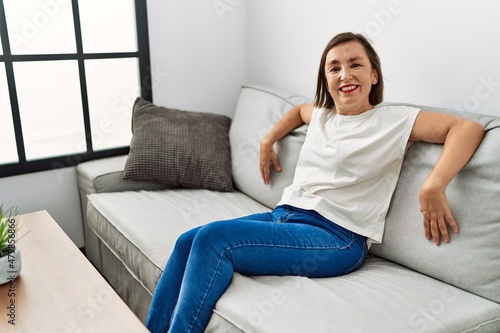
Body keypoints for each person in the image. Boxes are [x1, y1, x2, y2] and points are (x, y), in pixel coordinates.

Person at [145, 32, 485, 333]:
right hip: (286, 217)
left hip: (336, 237)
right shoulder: (323, 114)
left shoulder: (393, 120)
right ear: (326, 79)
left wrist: (433, 185)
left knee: (212, 239)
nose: (345, 74)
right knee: (188, 240)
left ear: (374, 74)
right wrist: (268, 140)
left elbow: (467, 128)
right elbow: (297, 112)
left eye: (355, 64)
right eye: (334, 68)